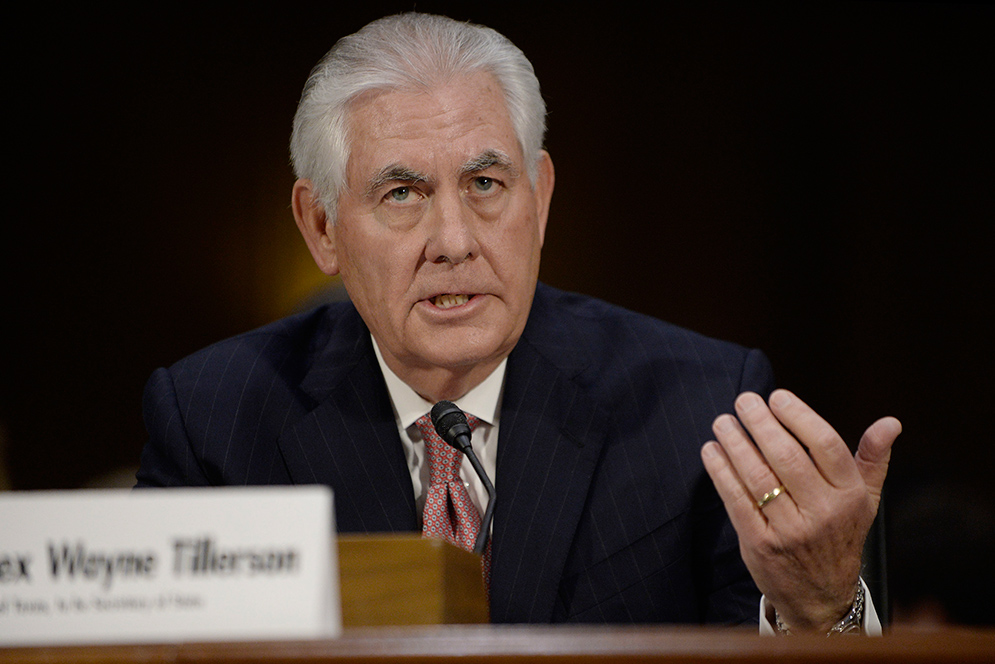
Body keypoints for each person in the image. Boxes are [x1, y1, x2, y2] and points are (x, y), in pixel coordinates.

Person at [136, 12, 901, 633]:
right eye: (401, 193)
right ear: (321, 226)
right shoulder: (212, 418)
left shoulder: (697, 406)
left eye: (485, 183)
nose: (455, 241)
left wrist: (820, 611)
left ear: (539, 197)